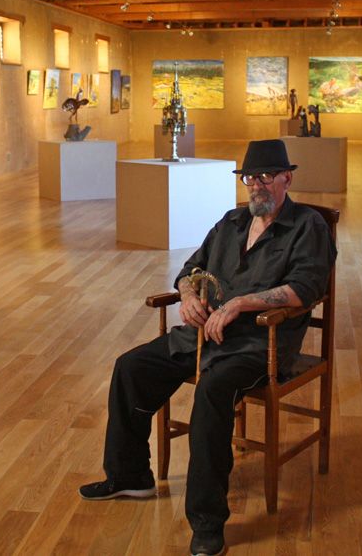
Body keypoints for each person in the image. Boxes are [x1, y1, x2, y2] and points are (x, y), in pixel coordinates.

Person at [79, 139, 336, 556]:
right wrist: (188, 296)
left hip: (259, 343)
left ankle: (206, 521)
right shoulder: (231, 222)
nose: (257, 186)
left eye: (267, 177)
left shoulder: (308, 227)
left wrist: (239, 303)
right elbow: (189, 270)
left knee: (212, 391)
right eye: (250, 178)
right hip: (201, 337)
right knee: (131, 367)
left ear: (287, 178)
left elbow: (305, 289)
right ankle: (129, 475)